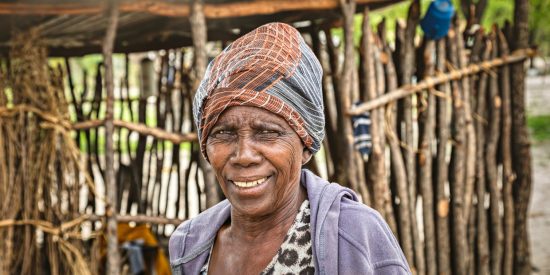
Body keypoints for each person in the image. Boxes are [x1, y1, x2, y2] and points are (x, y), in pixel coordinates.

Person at [169, 22, 411, 275]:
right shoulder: (189, 246)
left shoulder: (352, 236)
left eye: (268, 133)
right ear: (206, 146)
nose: (244, 156)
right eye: (223, 134)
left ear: (306, 145)